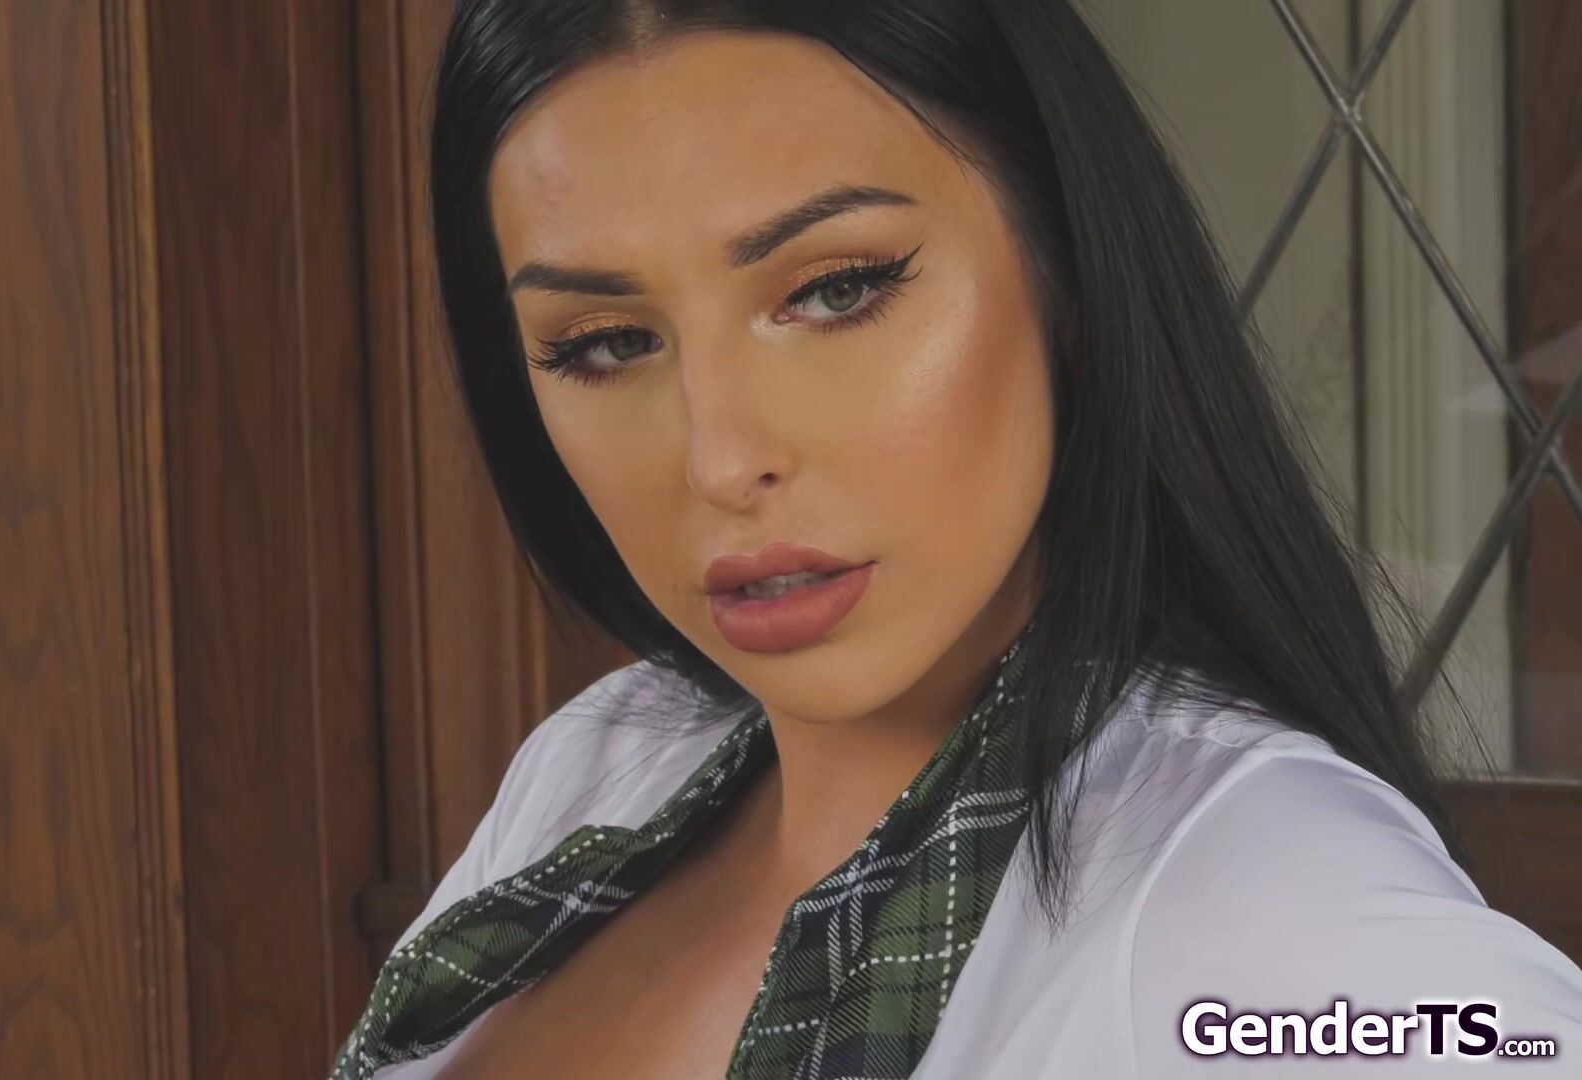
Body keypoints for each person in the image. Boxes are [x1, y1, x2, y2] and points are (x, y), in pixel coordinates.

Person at [332, 1, 1582, 1076]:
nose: (719, 459)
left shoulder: (1267, 914)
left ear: (1066, 262)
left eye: (836, 289)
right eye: (606, 344)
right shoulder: (603, 764)